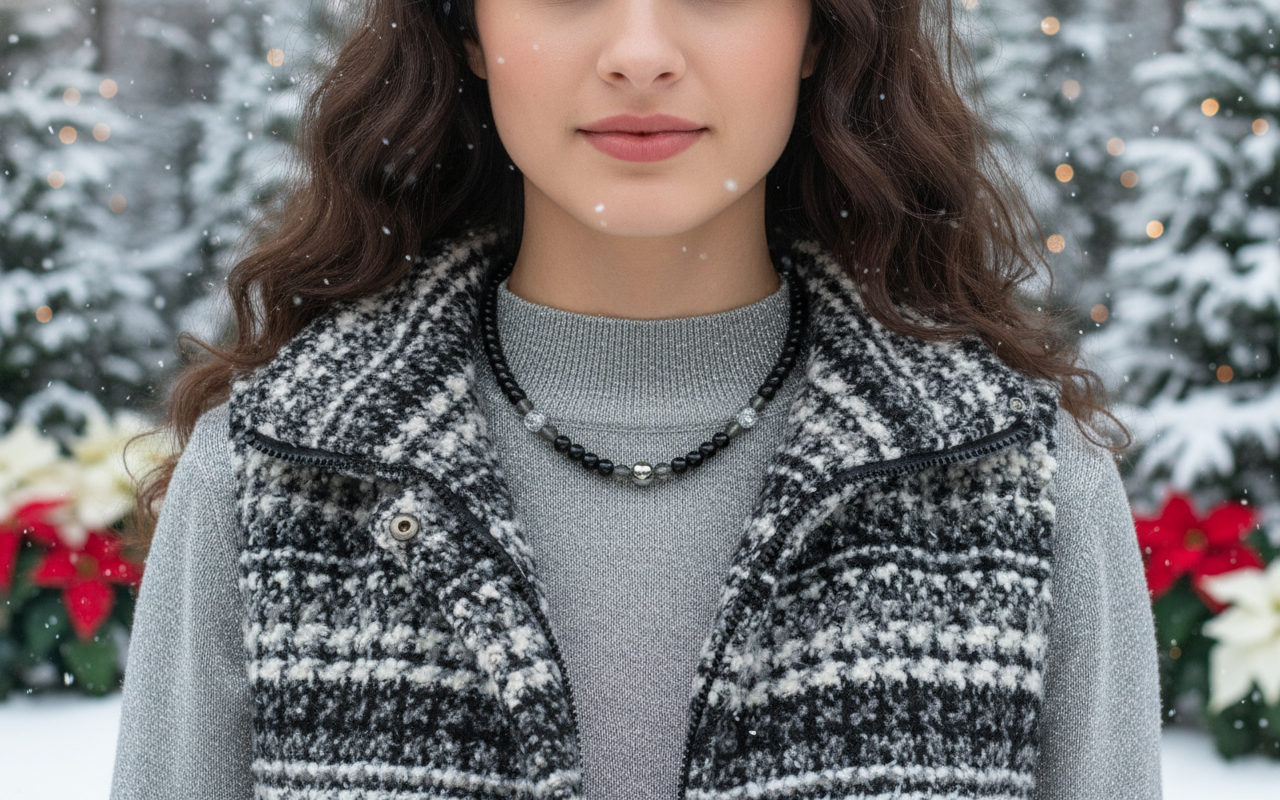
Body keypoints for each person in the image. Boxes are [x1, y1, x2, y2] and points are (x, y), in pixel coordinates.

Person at [110, 0, 1164, 797]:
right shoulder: (274, 476)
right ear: (466, 30)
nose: (639, 50)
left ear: (814, 32)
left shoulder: (1021, 485)